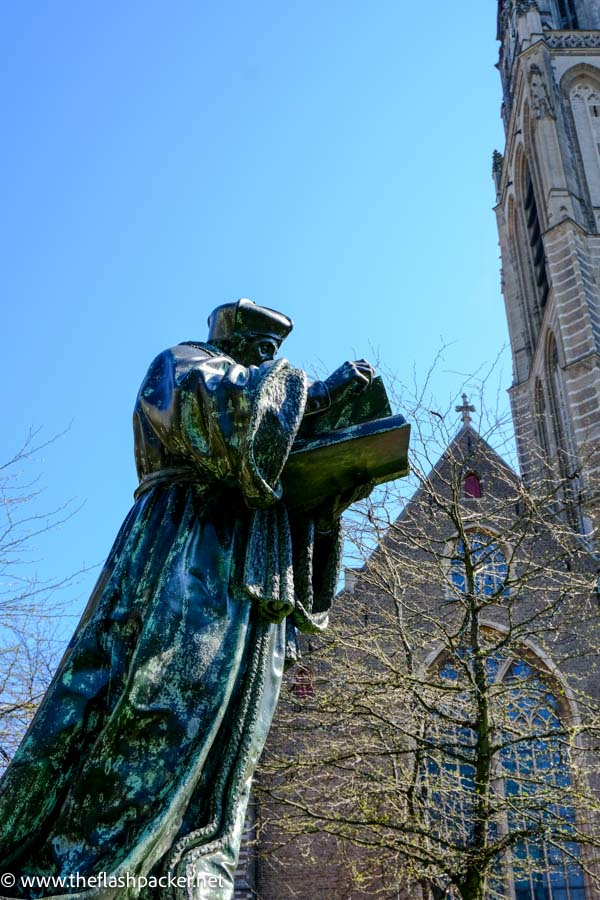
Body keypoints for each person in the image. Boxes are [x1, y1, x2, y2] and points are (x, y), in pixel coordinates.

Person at [0, 299, 374, 899]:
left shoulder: (259, 390)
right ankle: (79, 878)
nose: (270, 361)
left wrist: (339, 478)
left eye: (273, 353)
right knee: (157, 717)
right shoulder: (181, 363)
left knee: (233, 753)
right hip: (188, 553)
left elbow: (283, 477)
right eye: (259, 347)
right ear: (234, 338)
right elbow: (223, 419)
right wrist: (321, 400)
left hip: (256, 586)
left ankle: (192, 879)